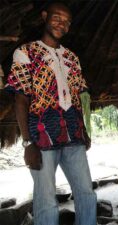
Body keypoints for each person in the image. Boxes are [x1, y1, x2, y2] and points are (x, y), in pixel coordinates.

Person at [5, 2, 97, 225]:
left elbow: (77, 98)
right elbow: (21, 98)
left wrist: (83, 129)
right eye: (57, 18)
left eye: (66, 22)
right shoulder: (25, 52)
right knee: (46, 200)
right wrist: (28, 143)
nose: (61, 24)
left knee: (87, 193)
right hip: (42, 137)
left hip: (73, 136)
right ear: (45, 17)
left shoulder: (72, 58)